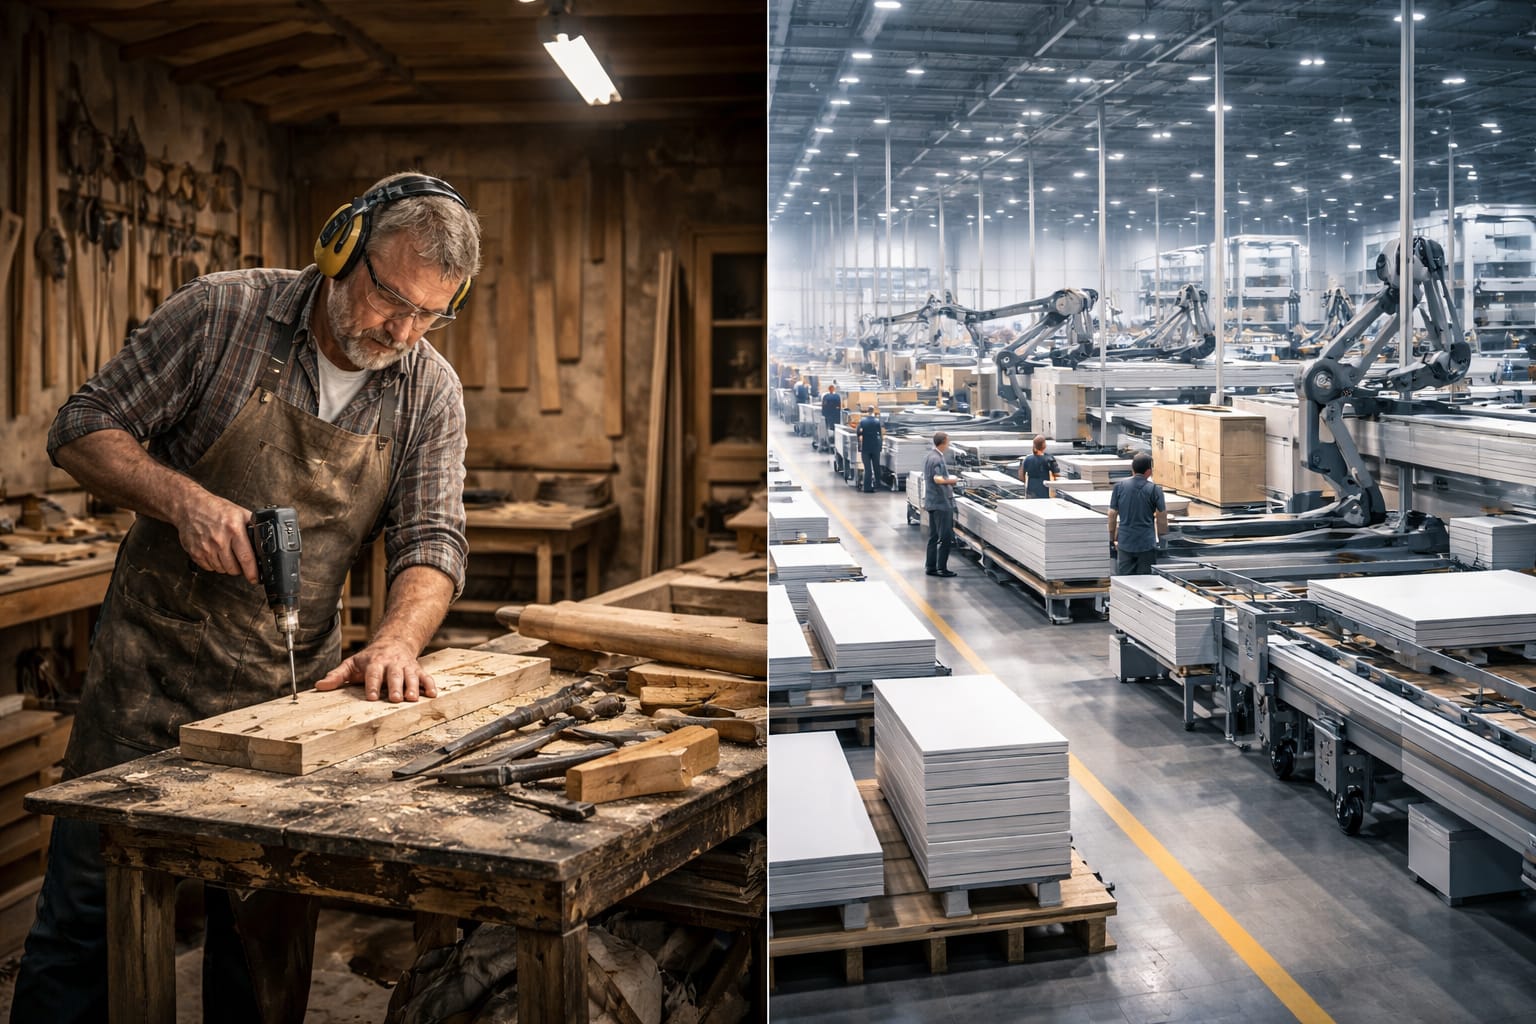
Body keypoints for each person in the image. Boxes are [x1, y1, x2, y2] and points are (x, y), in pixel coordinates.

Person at [12, 172, 481, 1024]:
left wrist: (399, 641)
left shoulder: (428, 390)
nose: (402, 331)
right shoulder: (222, 314)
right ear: (344, 245)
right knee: (89, 927)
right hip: (143, 687)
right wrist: (184, 500)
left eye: (429, 315)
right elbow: (81, 429)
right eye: (389, 300)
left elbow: (432, 542)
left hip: (285, 703)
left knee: (265, 950)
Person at [1107, 452, 1169, 576]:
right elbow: (1161, 517)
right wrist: (1163, 541)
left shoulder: (1119, 487)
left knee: (1126, 582)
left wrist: (1111, 539)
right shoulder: (1155, 489)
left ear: (1133, 469)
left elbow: (1112, 514)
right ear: (1149, 471)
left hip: (1125, 542)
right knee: (1145, 582)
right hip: (1146, 544)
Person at [923, 431, 960, 577]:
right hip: (941, 503)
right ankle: (941, 568)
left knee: (933, 536)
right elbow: (938, 479)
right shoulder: (937, 458)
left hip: (932, 501)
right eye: (948, 441)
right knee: (945, 537)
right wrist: (952, 480)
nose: (949, 443)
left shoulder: (929, 456)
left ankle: (930, 567)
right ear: (943, 442)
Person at [1019, 434, 1058, 499]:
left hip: (1031, 490)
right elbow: (1056, 475)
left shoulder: (1027, 459)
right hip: (1044, 489)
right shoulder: (1049, 459)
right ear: (1044, 445)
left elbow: (1021, 476)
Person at [856, 405, 884, 492]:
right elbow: (880, 435)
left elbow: (858, 432)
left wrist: (860, 443)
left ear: (867, 411)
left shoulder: (862, 421)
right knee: (876, 467)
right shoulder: (877, 421)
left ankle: (867, 488)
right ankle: (878, 485)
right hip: (875, 448)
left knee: (867, 469)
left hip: (866, 448)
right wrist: (880, 446)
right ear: (873, 411)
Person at [820, 382, 842, 449]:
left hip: (827, 415)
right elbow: (839, 406)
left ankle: (827, 441)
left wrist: (823, 414)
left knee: (827, 428)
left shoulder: (825, 396)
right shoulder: (837, 396)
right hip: (836, 415)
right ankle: (836, 441)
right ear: (834, 389)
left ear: (829, 389)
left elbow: (823, 406)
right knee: (835, 428)